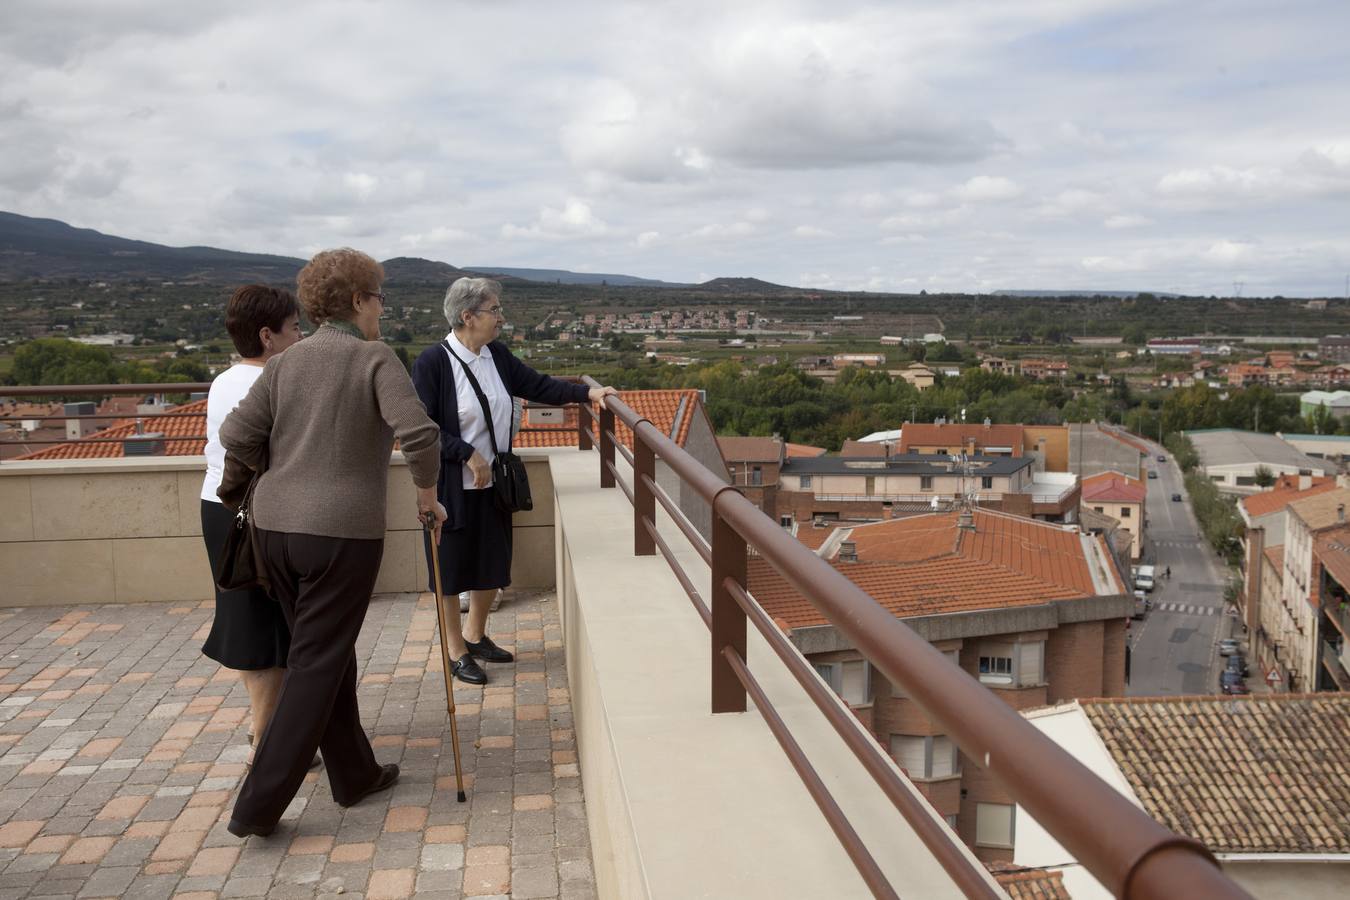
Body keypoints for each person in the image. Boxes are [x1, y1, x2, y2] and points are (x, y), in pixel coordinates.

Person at [220, 248, 445, 838]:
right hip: (340, 536)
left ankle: (355, 774)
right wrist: (427, 496)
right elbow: (421, 434)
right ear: (356, 301)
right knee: (315, 662)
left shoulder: (286, 362)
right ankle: (257, 807)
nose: (381, 310)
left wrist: (286, 471)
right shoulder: (374, 358)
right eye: (378, 298)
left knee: (322, 650)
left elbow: (234, 433)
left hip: (274, 531)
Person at [413, 277, 616, 685]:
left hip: (495, 485)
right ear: (467, 317)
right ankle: (455, 651)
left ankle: (475, 635)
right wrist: (465, 453)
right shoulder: (433, 362)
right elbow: (423, 426)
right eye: (494, 310)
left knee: (492, 564)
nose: (502, 317)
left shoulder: (496, 356)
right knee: (450, 572)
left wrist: (586, 395)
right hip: (453, 486)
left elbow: (538, 385)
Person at [200, 285, 304, 765]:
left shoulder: (224, 380)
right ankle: (267, 745)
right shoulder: (266, 384)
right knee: (270, 636)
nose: (301, 335)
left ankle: (266, 728)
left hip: (219, 510)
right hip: (255, 515)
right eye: (294, 327)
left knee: (249, 624)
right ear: (268, 336)